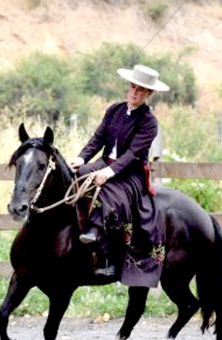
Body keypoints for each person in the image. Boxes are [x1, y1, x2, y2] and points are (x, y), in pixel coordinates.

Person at [70, 64, 169, 287]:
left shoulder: (149, 122)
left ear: (149, 94)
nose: (135, 93)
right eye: (133, 87)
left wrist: (107, 173)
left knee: (111, 197)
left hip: (130, 174)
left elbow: (132, 154)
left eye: (141, 90)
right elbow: (98, 138)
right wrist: (82, 158)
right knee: (79, 176)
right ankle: (74, 231)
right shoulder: (114, 110)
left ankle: (105, 250)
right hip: (105, 162)